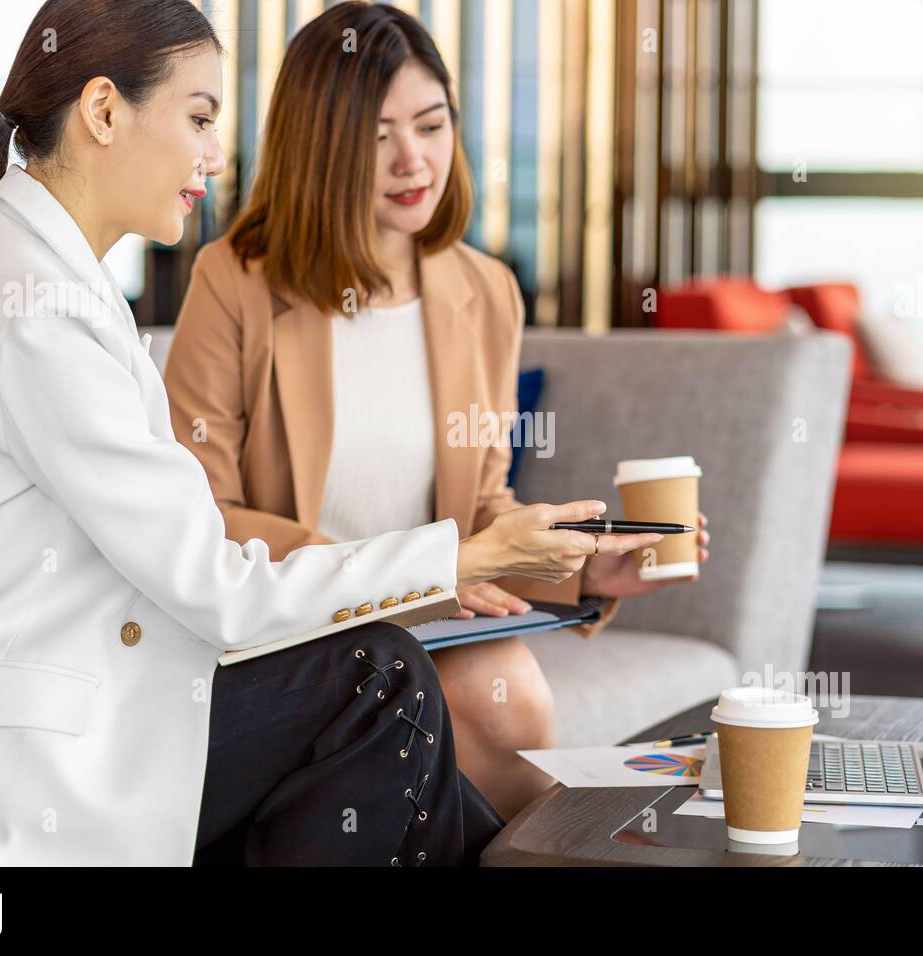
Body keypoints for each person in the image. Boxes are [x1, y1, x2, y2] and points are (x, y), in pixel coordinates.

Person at [0, 0, 657, 867]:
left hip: (84, 707)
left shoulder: (51, 276)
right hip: (6, 775)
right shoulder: (43, 310)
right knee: (377, 681)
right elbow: (214, 581)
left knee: (440, 788)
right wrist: (459, 562)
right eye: (198, 118)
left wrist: (540, 562)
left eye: (431, 125)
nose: (212, 155)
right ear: (102, 112)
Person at [164, 0, 709, 818]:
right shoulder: (234, 282)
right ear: (319, 146)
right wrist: (405, 579)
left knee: (508, 693)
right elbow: (198, 515)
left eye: (430, 124)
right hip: (295, 627)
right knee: (501, 702)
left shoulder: (482, 292)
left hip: (429, 616)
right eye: (377, 136)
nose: (412, 159)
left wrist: (590, 571)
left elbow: (482, 508)